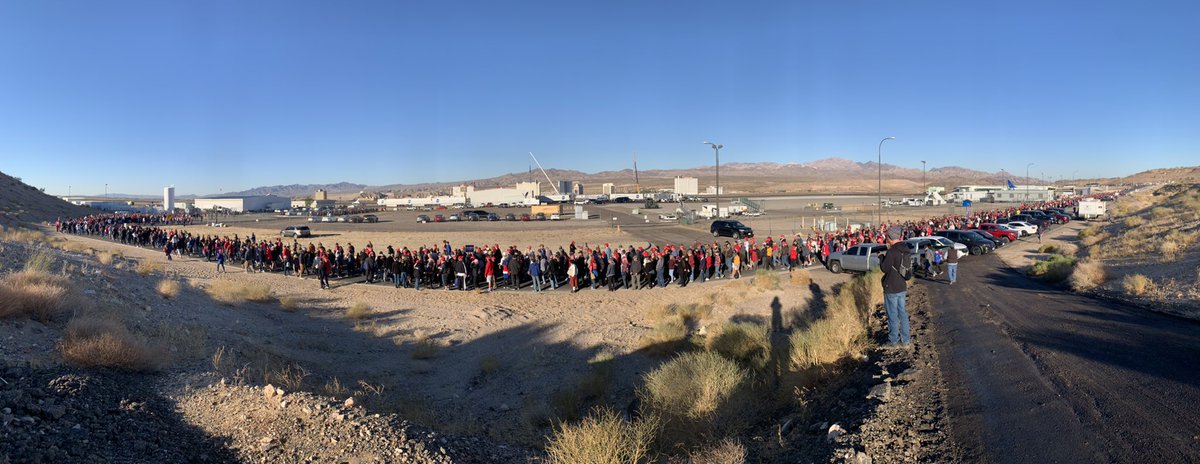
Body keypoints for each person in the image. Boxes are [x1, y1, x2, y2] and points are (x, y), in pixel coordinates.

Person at [880, 226, 913, 348]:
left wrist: (881, 258)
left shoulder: (892, 251)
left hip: (891, 287)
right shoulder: (906, 249)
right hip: (902, 286)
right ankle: (906, 341)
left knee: (892, 315)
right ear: (900, 236)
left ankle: (894, 341)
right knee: (903, 313)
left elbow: (884, 268)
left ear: (889, 237)